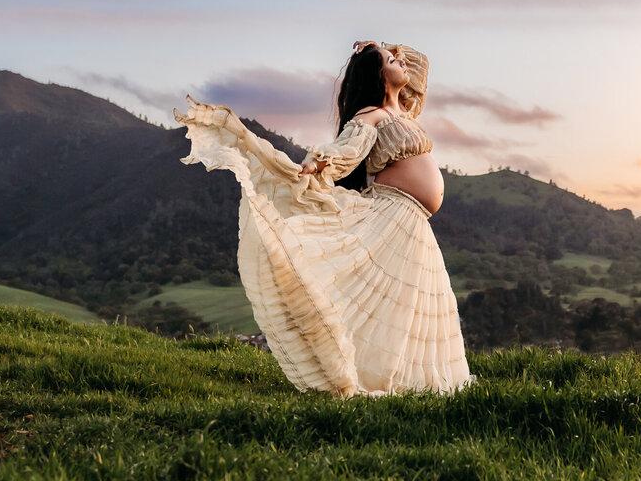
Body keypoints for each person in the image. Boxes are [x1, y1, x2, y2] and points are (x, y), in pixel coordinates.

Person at [174, 41, 473, 396]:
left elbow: (418, 65)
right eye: (392, 61)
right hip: (391, 214)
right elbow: (348, 149)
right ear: (379, 76)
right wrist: (318, 163)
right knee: (387, 301)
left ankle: (421, 383)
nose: (401, 63)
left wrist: (379, 46)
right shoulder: (371, 115)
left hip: (414, 222)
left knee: (414, 303)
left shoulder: (405, 110)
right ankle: (369, 376)